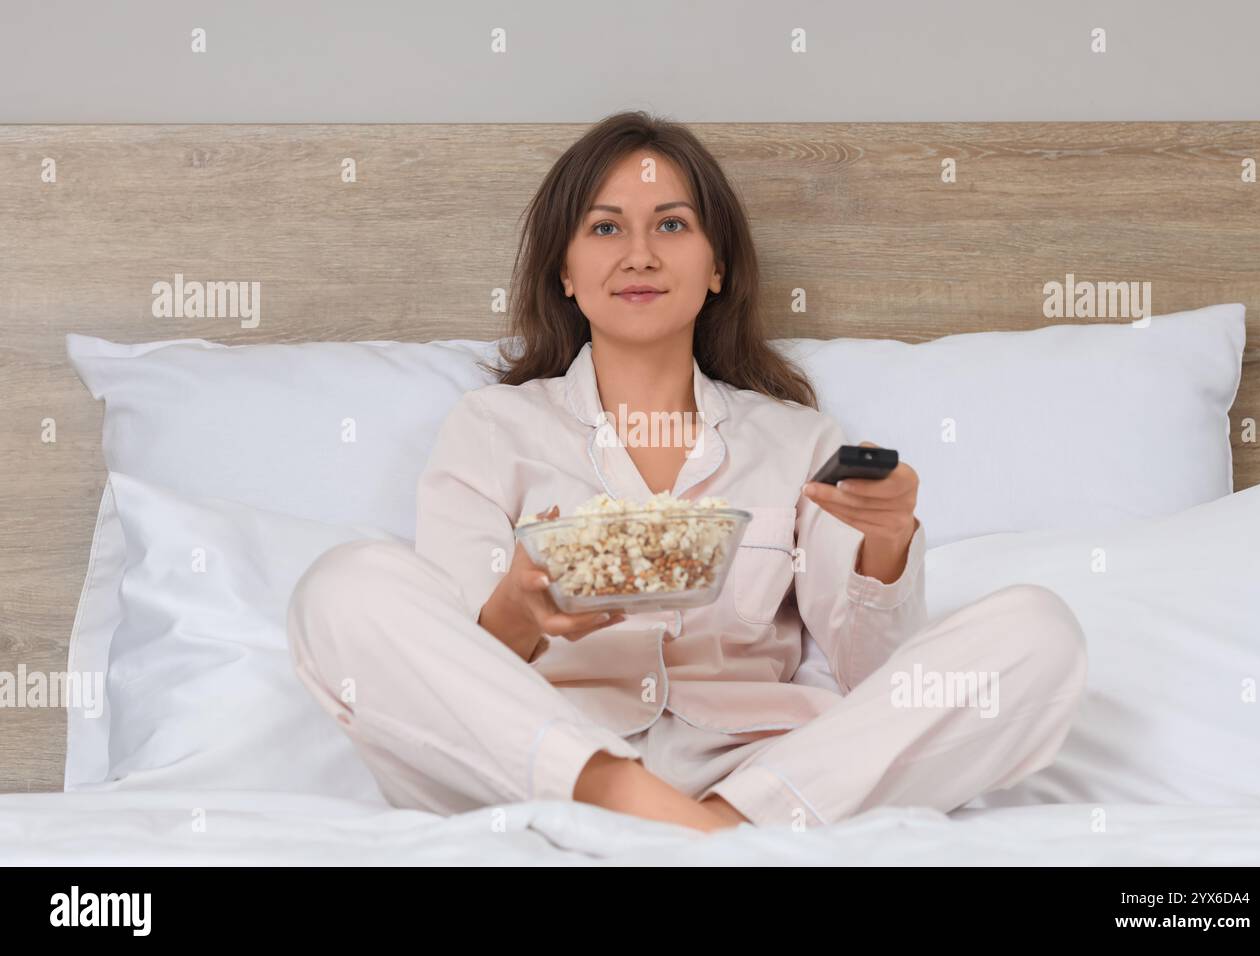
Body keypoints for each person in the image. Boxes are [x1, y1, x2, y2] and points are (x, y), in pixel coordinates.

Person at [286, 110, 1087, 834]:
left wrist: (886, 546)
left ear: (717, 267)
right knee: (341, 586)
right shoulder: (492, 430)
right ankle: (681, 832)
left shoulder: (799, 442)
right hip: (544, 773)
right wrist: (522, 608)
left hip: (758, 775)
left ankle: (716, 827)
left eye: (671, 224)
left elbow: (876, 676)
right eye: (605, 229)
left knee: (1038, 632)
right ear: (564, 272)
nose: (638, 254)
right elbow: (451, 677)